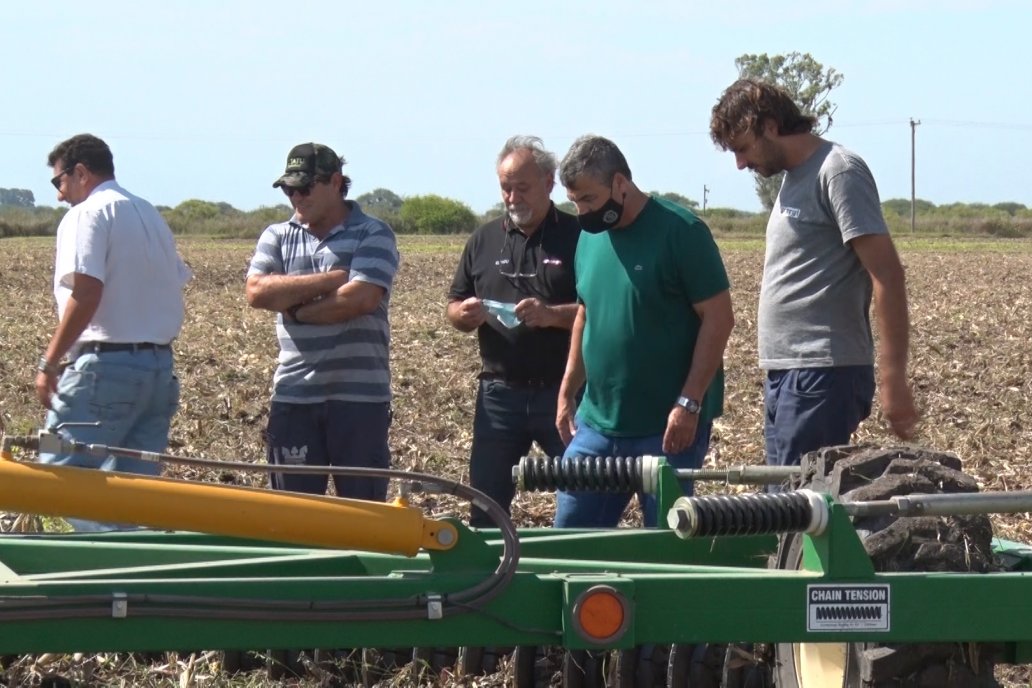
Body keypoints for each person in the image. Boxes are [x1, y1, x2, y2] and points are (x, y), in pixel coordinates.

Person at [709, 78, 919, 468]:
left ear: (769, 125)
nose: (740, 163)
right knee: (785, 505)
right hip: (787, 373)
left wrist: (894, 381)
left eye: (742, 148)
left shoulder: (838, 172)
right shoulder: (793, 178)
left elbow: (887, 275)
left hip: (822, 371)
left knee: (801, 508)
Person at [554, 135, 735, 528]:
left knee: (662, 548)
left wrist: (688, 403)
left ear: (620, 183)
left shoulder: (681, 231)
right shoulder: (590, 237)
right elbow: (586, 312)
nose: (582, 211)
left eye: (588, 199)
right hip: (598, 424)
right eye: (574, 202)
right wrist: (569, 389)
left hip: (667, 430)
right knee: (570, 541)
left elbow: (718, 319)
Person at [37, 133, 192, 532]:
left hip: (103, 372)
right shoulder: (149, 214)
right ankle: (133, 581)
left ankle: (104, 570)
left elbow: (86, 292)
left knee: (52, 469)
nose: (59, 196)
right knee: (132, 493)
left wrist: (50, 362)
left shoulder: (87, 214)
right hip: (159, 373)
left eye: (59, 182)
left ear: (81, 173)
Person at [246, 143, 399, 499]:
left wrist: (297, 309)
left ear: (335, 182)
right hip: (294, 396)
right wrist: (333, 280)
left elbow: (360, 299)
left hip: (360, 400)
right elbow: (257, 292)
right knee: (293, 517)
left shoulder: (373, 233)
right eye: (289, 189)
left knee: (364, 515)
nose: (296, 197)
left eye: (305, 187)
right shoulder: (276, 235)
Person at [447, 136, 580, 526]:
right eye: (506, 187)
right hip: (498, 395)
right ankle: (489, 582)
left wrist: (552, 315)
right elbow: (453, 306)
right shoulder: (483, 239)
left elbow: (602, 311)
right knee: (485, 502)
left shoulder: (579, 237)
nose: (512, 196)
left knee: (580, 496)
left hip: (562, 392)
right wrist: (463, 314)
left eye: (522, 187)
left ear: (549, 183)